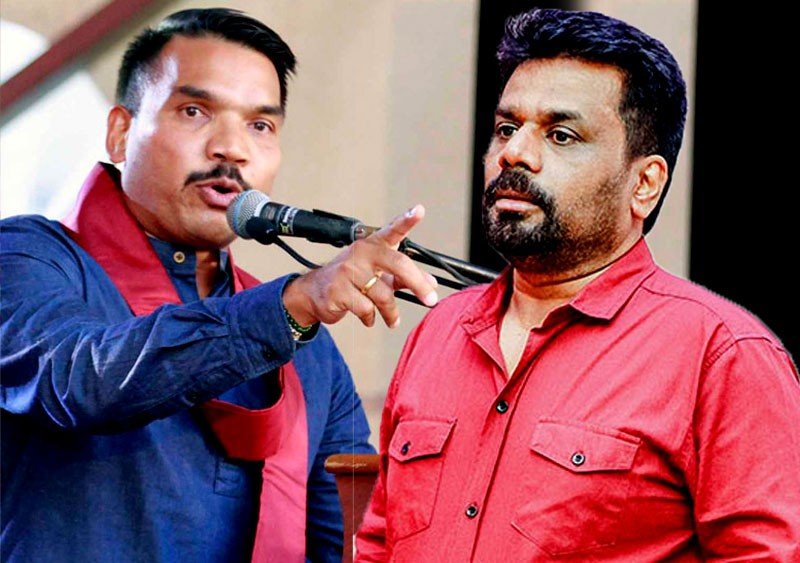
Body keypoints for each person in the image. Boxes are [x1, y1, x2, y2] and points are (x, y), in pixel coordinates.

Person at [356, 7, 800, 561]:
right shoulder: (441, 331)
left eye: (561, 135)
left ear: (644, 183)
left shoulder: (722, 355)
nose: (514, 153)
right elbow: (379, 542)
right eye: (506, 128)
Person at [0, 8, 438, 563]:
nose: (232, 148)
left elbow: (353, 541)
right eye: (194, 111)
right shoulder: (27, 256)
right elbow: (82, 379)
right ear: (120, 132)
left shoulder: (307, 347)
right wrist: (288, 308)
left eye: (260, 126)